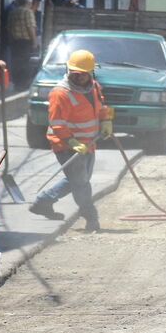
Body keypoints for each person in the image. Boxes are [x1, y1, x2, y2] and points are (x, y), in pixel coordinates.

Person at [28, 49, 114, 233]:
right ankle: (91, 218)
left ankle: (43, 202)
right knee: (81, 183)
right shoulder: (60, 93)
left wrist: (106, 120)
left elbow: (101, 106)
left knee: (78, 179)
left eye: (84, 74)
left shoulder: (95, 87)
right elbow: (57, 123)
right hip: (65, 144)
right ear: (69, 70)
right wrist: (72, 142)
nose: (80, 77)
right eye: (76, 73)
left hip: (89, 144)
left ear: (91, 72)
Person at [6, 0, 37, 76]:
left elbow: (9, 27)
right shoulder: (28, 12)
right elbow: (30, 27)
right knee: (25, 62)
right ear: (29, 3)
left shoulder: (13, 12)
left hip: (15, 42)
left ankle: (17, 81)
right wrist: (34, 42)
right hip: (25, 42)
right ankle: (23, 83)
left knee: (16, 62)